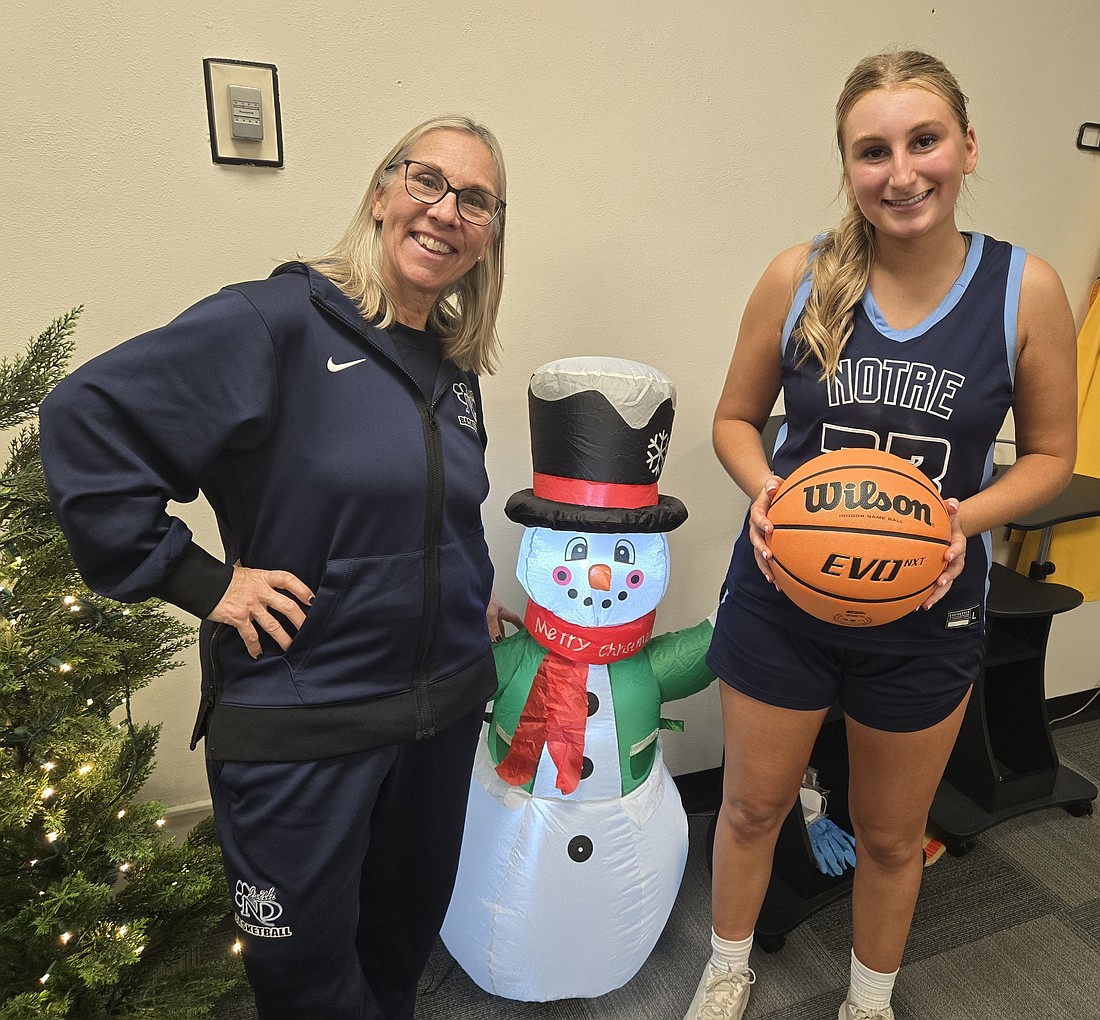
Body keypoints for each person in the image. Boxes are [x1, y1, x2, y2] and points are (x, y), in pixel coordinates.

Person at [39, 114, 522, 1020]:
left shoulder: (453, 369)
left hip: (440, 717)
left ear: (490, 233)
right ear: (382, 194)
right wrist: (204, 582)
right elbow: (84, 423)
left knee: (397, 950)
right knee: (304, 988)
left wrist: (464, 593)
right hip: (305, 727)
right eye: (426, 181)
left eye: (476, 200)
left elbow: (430, 512)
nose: (446, 211)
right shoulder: (275, 324)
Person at [688, 51, 1077, 1020]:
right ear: (847, 164)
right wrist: (768, 495)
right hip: (783, 598)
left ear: (966, 146)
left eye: (923, 140)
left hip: (927, 609)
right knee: (747, 808)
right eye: (871, 150)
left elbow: (1049, 456)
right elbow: (733, 421)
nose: (899, 172)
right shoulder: (798, 276)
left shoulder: (1022, 290)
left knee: (891, 835)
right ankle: (724, 968)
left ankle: (867, 1000)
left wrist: (962, 519)